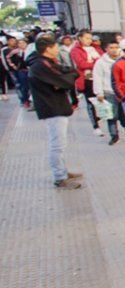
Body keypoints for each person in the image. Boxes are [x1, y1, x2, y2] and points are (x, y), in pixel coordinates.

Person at [29, 34, 81, 189]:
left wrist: (65, 79)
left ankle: (63, 171)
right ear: (48, 48)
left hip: (57, 105)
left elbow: (71, 72)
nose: (58, 49)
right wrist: (64, 81)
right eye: (56, 46)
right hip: (52, 107)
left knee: (60, 143)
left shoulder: (47, 63)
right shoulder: (40, 66)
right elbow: (65, 80)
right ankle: (59, 177)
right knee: (57, 144)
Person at [69, 30, 104, 137]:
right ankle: (95, 126)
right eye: (87, 38)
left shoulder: (96, 48)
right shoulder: (75, 50)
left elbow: (103, 59)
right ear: (80, 38)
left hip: (100, 78)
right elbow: (82, 64)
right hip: (87, 79)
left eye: (90, 38)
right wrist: (96, 63)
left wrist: (94, 63)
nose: (89, 40)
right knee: (90, 102)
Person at [92, 40, 124, 145]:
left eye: (116, 47)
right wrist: (99, 93)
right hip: (109, 91)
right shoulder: (101, 62)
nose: (114, 50)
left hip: (123, 91)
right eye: (111, 47)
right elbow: (97, 78)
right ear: (106, 49)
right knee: (111, 116)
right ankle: (114, 135)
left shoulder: (123, 60)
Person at [6, 38, 31, 109]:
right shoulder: (15, 51)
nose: (21, 44)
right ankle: (25, 100)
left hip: (30, 70)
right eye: (19, 43)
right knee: (24, 86)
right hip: (21, 70)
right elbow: (8, 57)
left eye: (23, 43)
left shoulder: (30, 51)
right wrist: (13, 65)